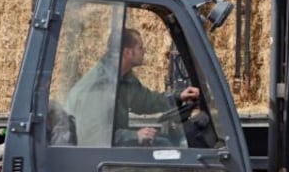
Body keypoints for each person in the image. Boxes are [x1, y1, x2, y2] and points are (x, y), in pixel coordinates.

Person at [65, 27, 199, 147]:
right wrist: (135, 136)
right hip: (97, 161)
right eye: (140, 48)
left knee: (163, 142)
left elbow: (146, 100)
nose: (144, 51)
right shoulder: (99, 86)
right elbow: (95, 137)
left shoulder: (123, 79)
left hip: (114, 149)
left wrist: (179, 96)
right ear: (128, 53)